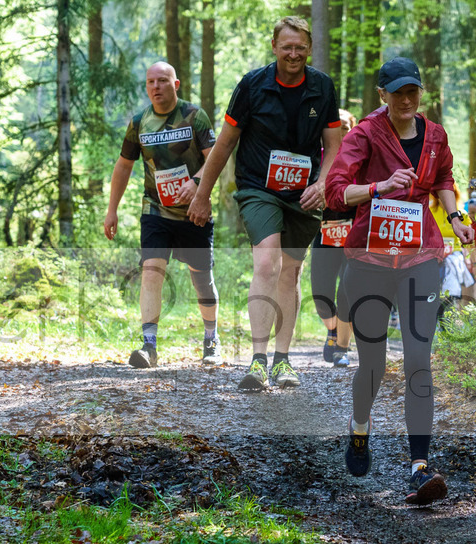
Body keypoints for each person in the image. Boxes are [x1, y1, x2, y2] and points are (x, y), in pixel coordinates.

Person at [325, 56, 474, 506]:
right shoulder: (364, 135)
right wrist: (379, 188)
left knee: (418, 360)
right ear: (382, 95)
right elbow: (335, 191)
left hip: (420, 256)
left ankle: (419, 466)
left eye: (414, 91)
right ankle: (359, 429)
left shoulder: (435, 135)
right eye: (399, 92)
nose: (407, 99)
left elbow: (444, 177)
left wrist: (454, 214)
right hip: (369, 261)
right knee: (372, 363)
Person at [187, 16, 342, 390]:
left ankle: (282, 361)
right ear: (274, 47)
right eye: (286, 47)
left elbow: (335, 145)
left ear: (308, 48)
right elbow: (224, 143)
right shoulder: (252, 85)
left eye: (300, 48)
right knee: (268, 261)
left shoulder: (322, 87)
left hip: (304, 193)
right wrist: (202, 194)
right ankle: (257, 361)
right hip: (259, 187)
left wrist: (323, 184)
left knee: (290, 272)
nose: (293, 54)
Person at [104, 61, 221, 369]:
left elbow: (216, 159)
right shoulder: (139, 122)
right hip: (155, 210)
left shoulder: (195, 117)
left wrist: (197, 187)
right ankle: (149, 345)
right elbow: (124, 166)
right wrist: (111, 210)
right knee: (152, 269)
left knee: (202, 280)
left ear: (176, 84)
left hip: (194, 212)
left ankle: (211, 337)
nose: (155, 87)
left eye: (162, 81)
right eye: (150, 82)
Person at [312, 109, 357, 368]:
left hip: (354, 233)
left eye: (346, 127)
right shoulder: (318, 159)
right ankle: (332, 329)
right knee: (320, 292)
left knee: (347, 290)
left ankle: (342, 347)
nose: (341, 132)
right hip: (326, 231)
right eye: (336, 127)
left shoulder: (361, 158)